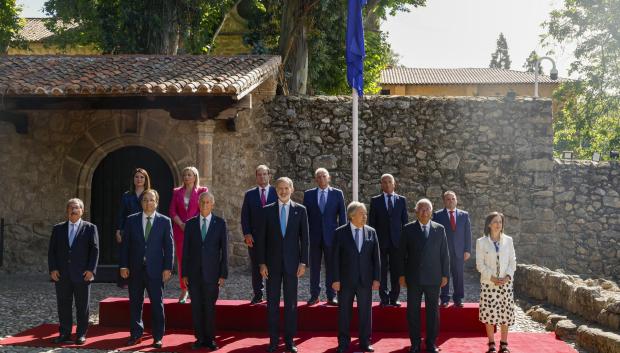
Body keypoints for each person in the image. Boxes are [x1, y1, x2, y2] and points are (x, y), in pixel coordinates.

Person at [256, 177, 309, 353]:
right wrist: (262, 263)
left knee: (291, 304)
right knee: (272, 304)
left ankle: (289, 341)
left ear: (292, 189)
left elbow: (305, 240)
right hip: (272, 266)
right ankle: (272, 340)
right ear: (275, 190)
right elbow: (261, 240)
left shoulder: (300, 211)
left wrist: (303, 262)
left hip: (293, 265)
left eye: (286, 188)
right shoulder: (266, 211)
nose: (283, 191)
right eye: (280, 188)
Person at [120, 189, 174, 349]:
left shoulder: (165, 221)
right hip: (135, 269)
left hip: (156, 270)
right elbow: (125, 246)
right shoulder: (131, 220)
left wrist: (167, 268)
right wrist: (123, 265)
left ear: (156, 202)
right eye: (145, 200)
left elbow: (169, 247)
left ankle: (158, 337)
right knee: (135, 303)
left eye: (151, 200)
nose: (148, 203)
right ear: (141, 202)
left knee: (157, 304)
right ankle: (136, 334)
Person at [399, 199, 449, 353]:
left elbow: (444, 254)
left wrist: (445, 275)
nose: (424, 212)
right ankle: (415, 343)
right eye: (421, 209)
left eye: (427, 209)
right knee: (412, 312)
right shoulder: (408, 229)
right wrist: (401, 275)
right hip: (413, 278)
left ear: (431, 212)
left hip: (434, 278)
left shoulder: (439, 229)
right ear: (416, 211)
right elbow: (401, 255)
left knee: (433, 312)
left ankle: (431, 343)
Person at [48, 198, 99, 345]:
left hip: (82, 274)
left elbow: (95, 251)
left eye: (76, 207)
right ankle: (64, 332)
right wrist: (53, 269)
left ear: (82, 211)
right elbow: (52, 251)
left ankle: (81, 334)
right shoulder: (58, 228)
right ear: (67, 211)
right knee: (63, 304)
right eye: (70, 207)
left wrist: (91, 270)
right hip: (62, 274)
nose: (73, 210)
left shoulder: (90, 228)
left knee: (82, 306)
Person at [182, 192, 228, 351]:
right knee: (196, 307)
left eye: (208, 202)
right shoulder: (190, 224)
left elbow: (224, 251)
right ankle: (199, 338)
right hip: (193, 274)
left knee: (209, 307)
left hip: (212, 274)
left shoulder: (220, 223)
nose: (205, 205)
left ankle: (210, 339)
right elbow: (185, 251)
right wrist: (184, 274)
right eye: (202, 202)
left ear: (213, 204)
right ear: (198, 204)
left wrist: (223, 274)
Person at [332, 201, 380, 353]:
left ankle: (365, 342)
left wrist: (377, 278)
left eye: (365, 213)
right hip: (345, 281)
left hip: (365, 280)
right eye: (362, 213)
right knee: (344, 313)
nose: (365, 216)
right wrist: (335, 279)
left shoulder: (371, 232)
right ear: (352, 216)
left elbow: (376, 258)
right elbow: (334, 259)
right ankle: (343, 343)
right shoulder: (340, 232)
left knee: (366, 313)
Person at [303, 168, 346, 306]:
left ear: (329, 178)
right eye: (318, 177)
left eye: (324, 176)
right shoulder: (308, 195)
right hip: (314, 238)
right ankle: (314, 295)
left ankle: (331, 296)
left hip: (332, 237)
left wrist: (342, 237)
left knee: (332, 267)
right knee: (314, 268)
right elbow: (305, 218)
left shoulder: (337, 194)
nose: (321, 179)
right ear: (316, 179)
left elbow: (343, 218)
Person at [476, 212, 516, 353]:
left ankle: (504, 344)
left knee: (505, 314)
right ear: (489, 224)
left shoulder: (509, 241)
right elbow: (480, 265)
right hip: (489, 284)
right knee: (490, 315)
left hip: (505, 285)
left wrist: (507, 277)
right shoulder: (481, 242)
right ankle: (491, 344)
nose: (498, 224)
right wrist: (492, 278)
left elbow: (513, 262)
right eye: (495, 221)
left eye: (500, 221)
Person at [169, 166, 208, 303]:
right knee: (182, 260)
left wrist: (191, 224)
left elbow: (204, 208)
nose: (186, 177)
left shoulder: (202, 191)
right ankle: (184, 289)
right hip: (180, 231)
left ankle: (195, 289)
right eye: (185, 175)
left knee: (196, 259)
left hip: (197, 230)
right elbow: (172, 211)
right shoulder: (176, 192)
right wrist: (180, 224)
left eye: (189, 175)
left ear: (195, 176)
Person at [368, 173, 408, 307]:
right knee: (382, 270)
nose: (387, 184)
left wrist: (405, 243)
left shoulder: (401, 200)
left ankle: (394, 297)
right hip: (381, 242)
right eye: (384, 182)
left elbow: (405, 223)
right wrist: (372, 242)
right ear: (381, 185)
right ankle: (384, 298)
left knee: (396, 271)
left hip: (397, 243)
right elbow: (372, 224)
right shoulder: (375, 201)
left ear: (394, 183)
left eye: (389, 182)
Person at [241, 164, 277, 304]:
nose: (262, 177)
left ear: (269, 175)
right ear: (256, 177)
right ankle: (258, 294)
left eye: (264, 174)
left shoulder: (276, 192)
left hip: (273, 238)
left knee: (272, 266)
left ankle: (271, 295)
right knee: (256, 267)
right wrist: (247, 234)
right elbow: (245, 216)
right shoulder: (249, 194)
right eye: (259, 174)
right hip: (254, 238)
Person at [433, 191, 472, 307]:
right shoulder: (438, 215)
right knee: (444, 275)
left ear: (456, 200)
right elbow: (435, 235)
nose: (451, 201)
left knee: (459, 276)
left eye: (453, 199)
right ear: (444, 201)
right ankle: (444, 298)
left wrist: (468, 250)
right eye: (448, 199)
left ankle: (458, 299)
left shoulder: (464, 215)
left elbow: (468, 234)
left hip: (459, 252)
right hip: (444, 252)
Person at [115, 168, 151, 288]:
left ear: (146, 180)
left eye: (142, 177)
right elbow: (121, 214)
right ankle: (126, 281)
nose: (139, 179)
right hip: (128, 229)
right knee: (127, 254)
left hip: (145, 228)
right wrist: (118, 230)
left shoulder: (150, 194)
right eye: (137, 177)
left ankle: (145, 280)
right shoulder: (127, 195)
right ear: (133, 179)